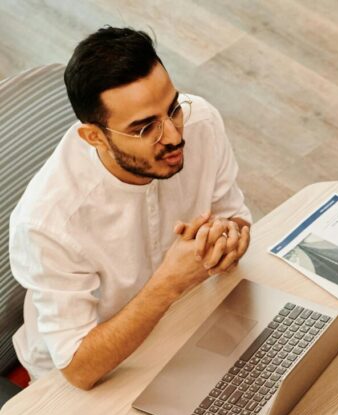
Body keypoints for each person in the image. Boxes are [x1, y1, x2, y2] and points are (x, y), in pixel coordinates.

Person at [9, 27, 252, 388]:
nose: (173, 135)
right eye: (144, 128)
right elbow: (78, 368)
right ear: (94, 137)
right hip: (90, 373)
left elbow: (234, 215)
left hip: (184, 322)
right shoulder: (48, 221)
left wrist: (228, 237)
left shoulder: (200, 122)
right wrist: (169, 284)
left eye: (172, 109)